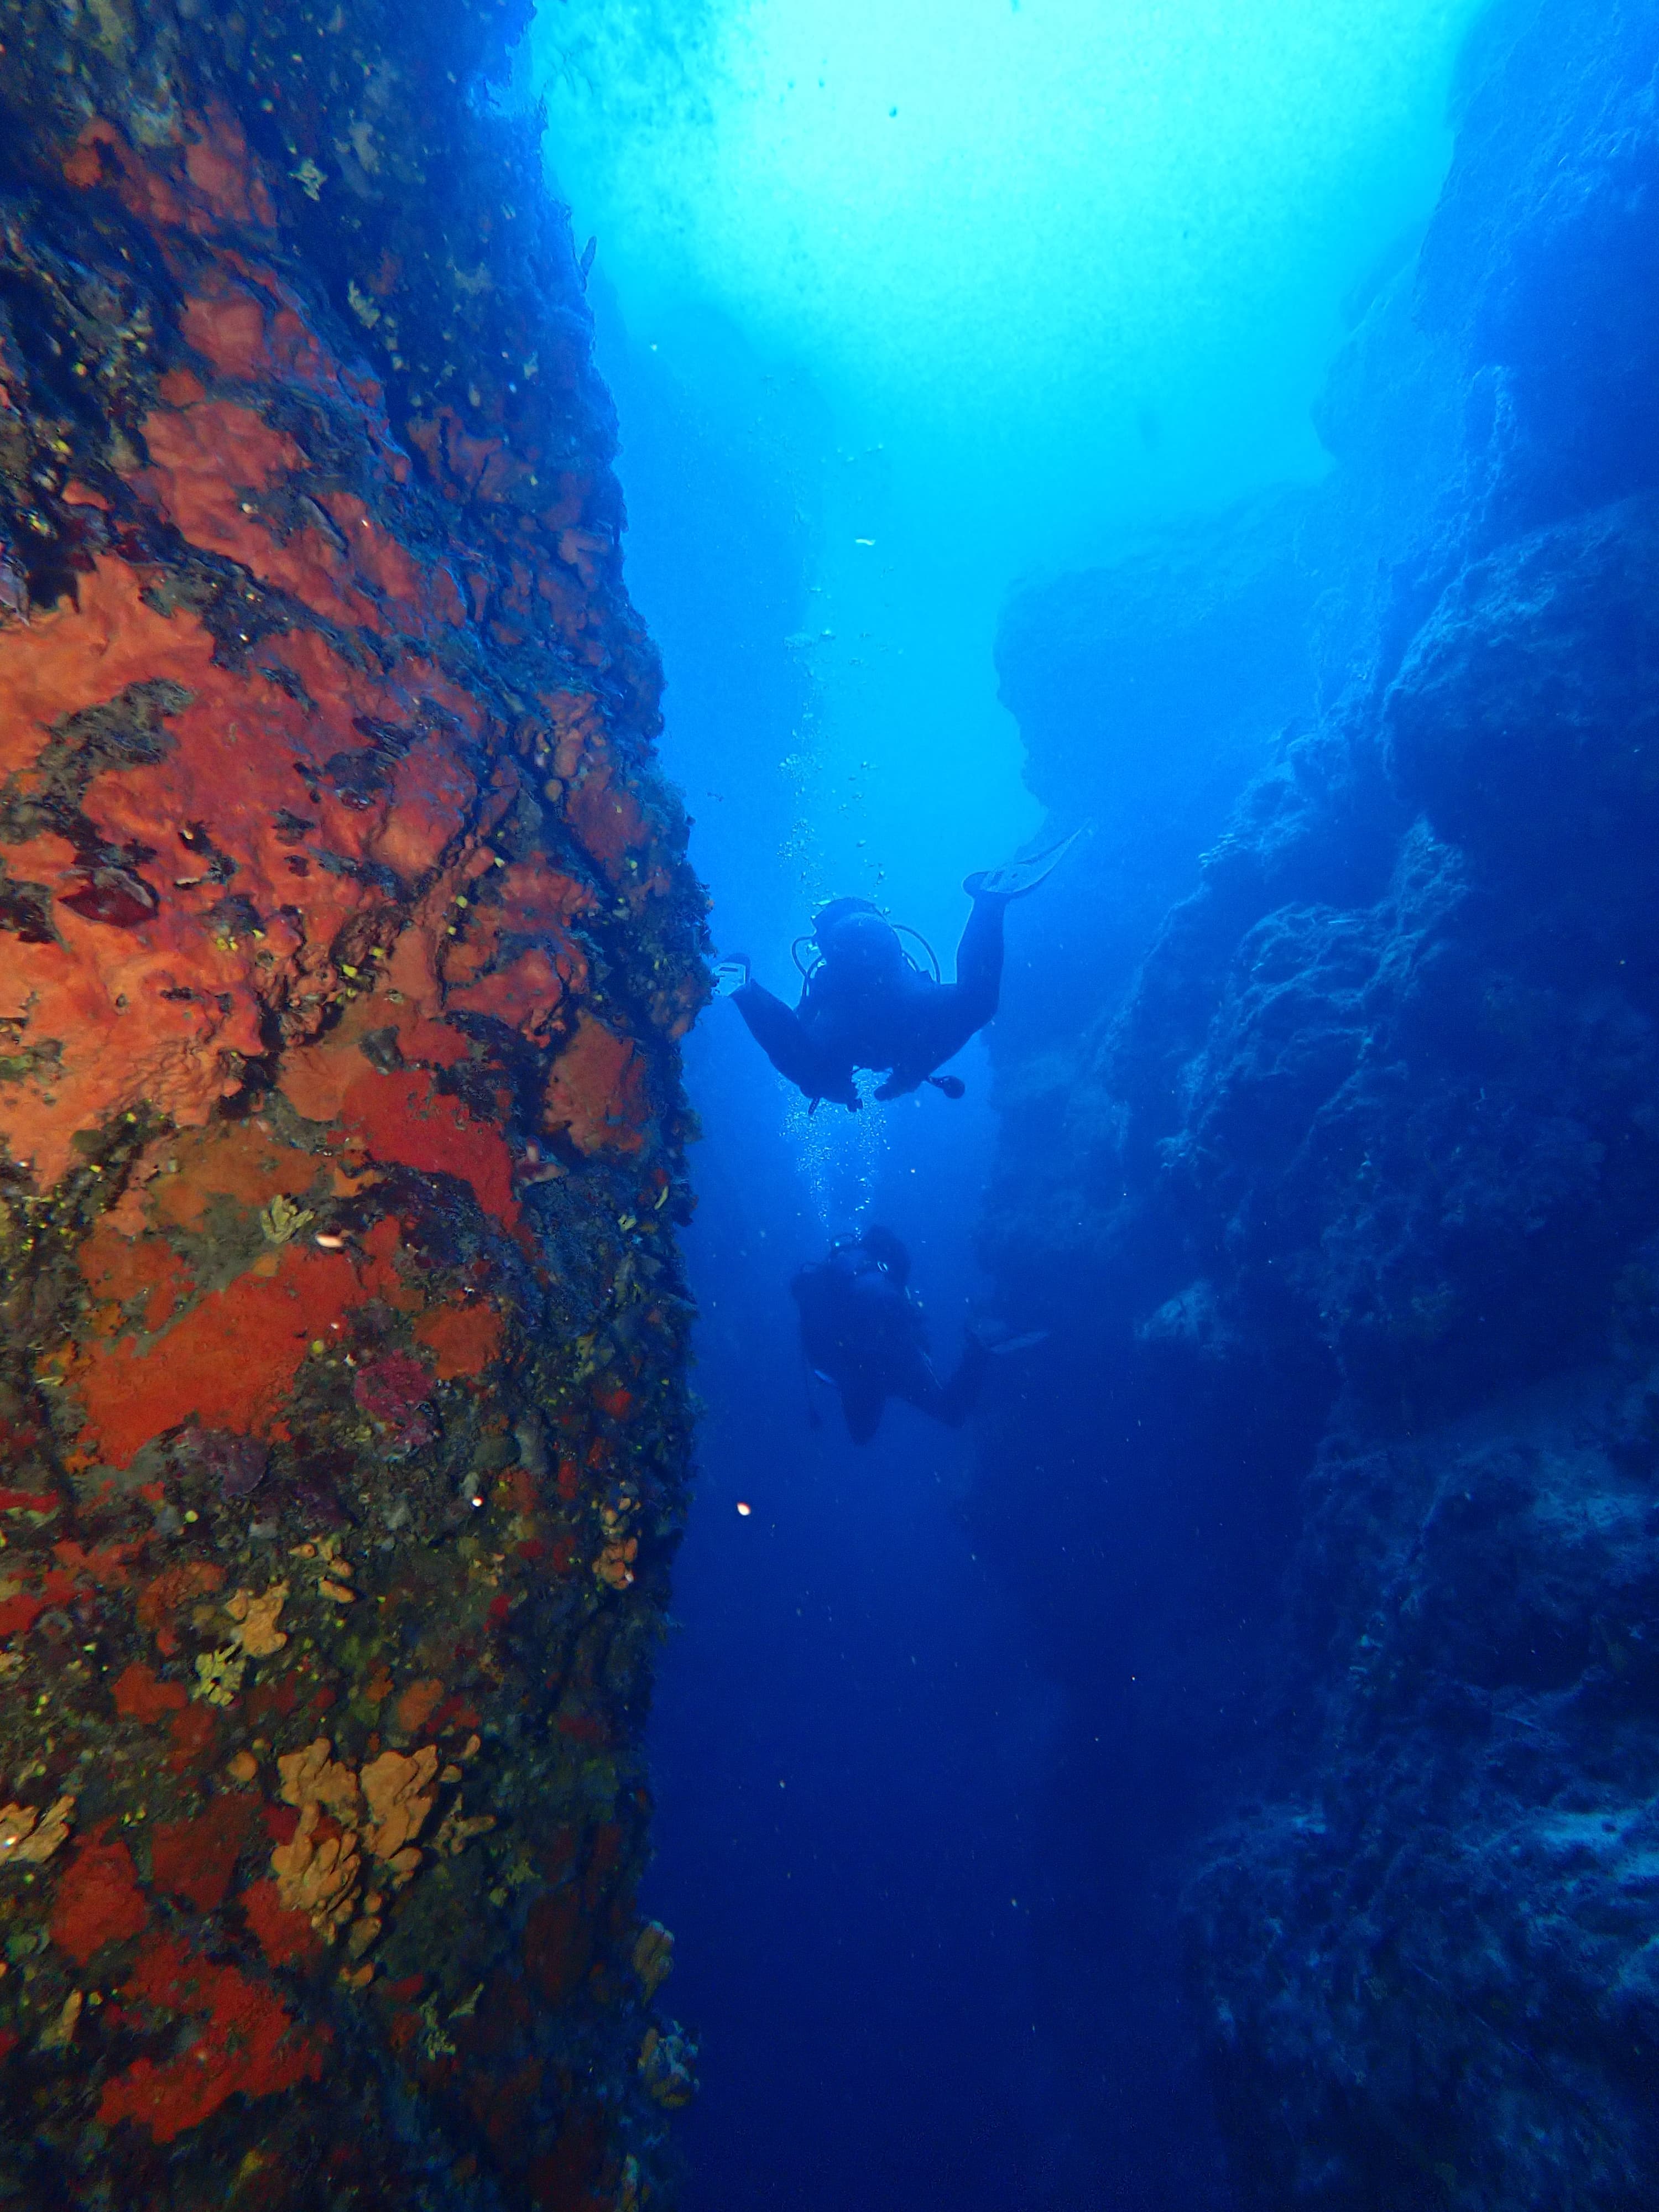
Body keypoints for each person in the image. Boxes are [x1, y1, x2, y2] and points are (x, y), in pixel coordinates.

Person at [714, 828, 1086, 1111]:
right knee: (975, 1003)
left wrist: (835, 1086)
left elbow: (798, 1039)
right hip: (889, 971)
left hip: (855, 984)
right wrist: (906, 1074)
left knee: (976, 1005)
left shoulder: (857, 1043)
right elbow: (798, 1043)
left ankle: (745, 991)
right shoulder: (915, 1043)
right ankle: (990, 901)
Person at [791, 1227, 993, 1445]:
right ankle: (979, 1347)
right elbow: (899, 1295)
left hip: (859, 1368)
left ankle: (978, 1348)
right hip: (894, 1355)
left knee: (861, 1435)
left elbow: (817, 1353)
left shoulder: (828, 1287)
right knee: (952, 1413)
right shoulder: (876, 1265)